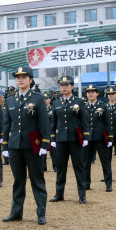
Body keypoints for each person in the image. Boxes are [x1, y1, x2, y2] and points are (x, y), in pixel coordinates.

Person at [1, 68, 50, 224]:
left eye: (24, 77)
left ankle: (41, 213)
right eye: (18, 77)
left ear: (30, 80)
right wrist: (5, 145)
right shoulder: (10, 100)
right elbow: (7, 125)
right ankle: (16, 212)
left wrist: (45, 143)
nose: (20, 80)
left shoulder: (37, 99)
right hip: (15, 145)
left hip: (33, 145)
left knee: (37, 179)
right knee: (18, 181)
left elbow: (44, 123)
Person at [50, 76, 90, 204]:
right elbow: (53, 123)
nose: (64, 87)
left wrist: (86, 136)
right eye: (62, 85)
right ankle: (59, 193)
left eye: (67, 85)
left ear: (72, 86)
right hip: (61, 139)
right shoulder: (56, 102)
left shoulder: (78, 102)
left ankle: (82, 195)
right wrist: (52, 138)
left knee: (79, 167)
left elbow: (84, 120)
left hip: (75, 139)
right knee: (61, 167)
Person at [83, 85, 113, 192]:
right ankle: (86, 183)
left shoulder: (103, 106)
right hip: (88, 139)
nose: (90, 94)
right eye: (88, 92)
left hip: (100, 138)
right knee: (86, 162)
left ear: (97, 93)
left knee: (105, 162)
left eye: (93, 92)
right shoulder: (84, 106)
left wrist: (109, 139)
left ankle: (108, 183)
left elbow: (107, 123)